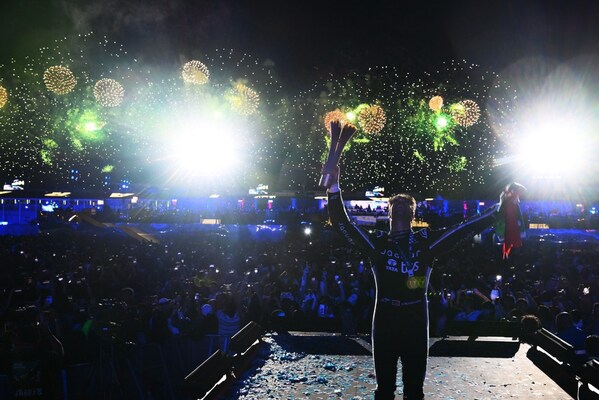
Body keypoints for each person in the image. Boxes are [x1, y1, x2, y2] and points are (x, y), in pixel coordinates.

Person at [324, 166, 503, 400]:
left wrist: (498, 210)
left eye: (406, 203)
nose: (400, 203)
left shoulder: (425, 241)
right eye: (395, 202)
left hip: (416, 320)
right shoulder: (377, 242)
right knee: (384, 389)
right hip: (385, 318)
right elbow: (343, 226)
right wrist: (334, 188)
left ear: (413, 213)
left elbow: (461, 231)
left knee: (414, 390)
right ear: (388, 212)